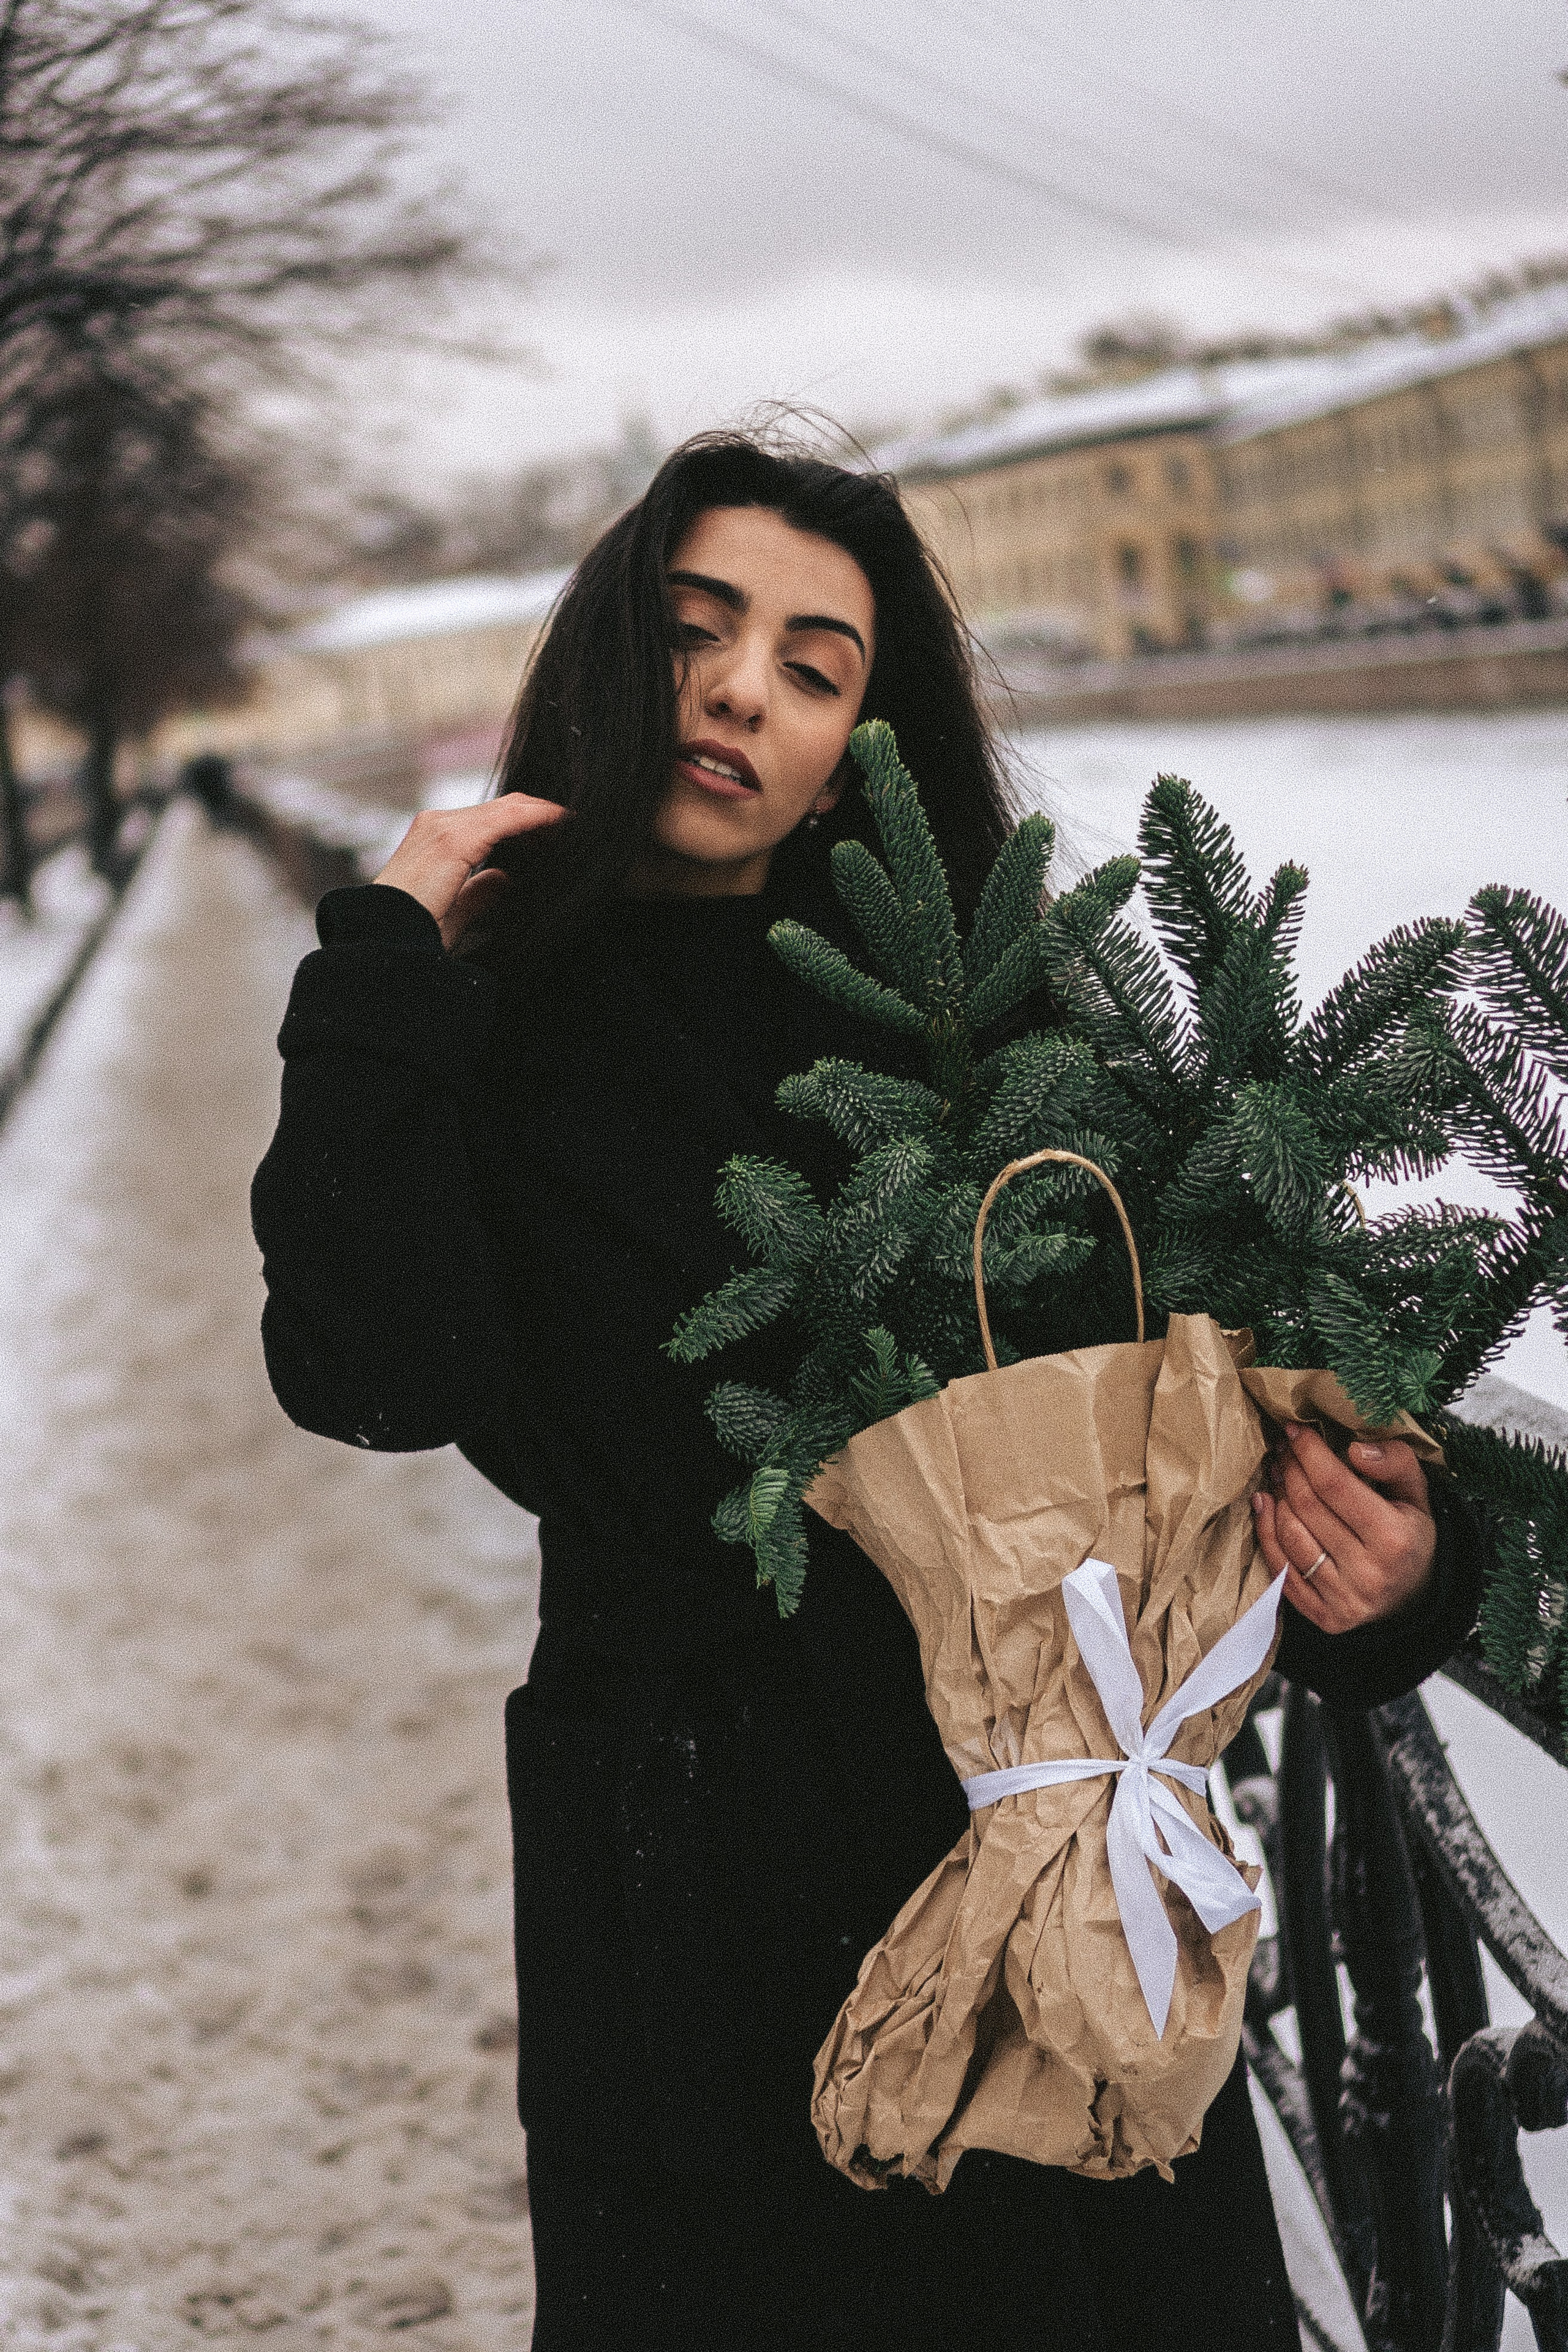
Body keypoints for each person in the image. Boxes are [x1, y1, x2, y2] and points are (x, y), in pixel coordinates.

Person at [251, 431, 1486, 2351]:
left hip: (1048, 1884)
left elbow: (1234, 1419)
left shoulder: (987, 1016)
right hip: (691, 1919)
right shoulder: (479, 1027)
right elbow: (365, 1373)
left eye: (818, 668)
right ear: (606, 656)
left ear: (867, 737)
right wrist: (385, 961)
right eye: (696, 631)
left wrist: (1399, 1577)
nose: (746, 688)